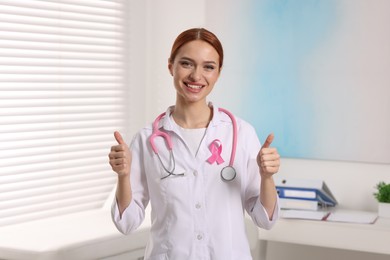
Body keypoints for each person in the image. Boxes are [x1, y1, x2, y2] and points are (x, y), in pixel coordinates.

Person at [109, 27, 280, 260]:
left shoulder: (241, 133)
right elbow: (127, 223)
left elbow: (264, 219)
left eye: (208, 67)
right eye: (187, 64)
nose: (196, 76)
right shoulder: (147, 139)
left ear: (218, 73)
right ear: (171, 66)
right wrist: (123, 176)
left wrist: (267, 178)